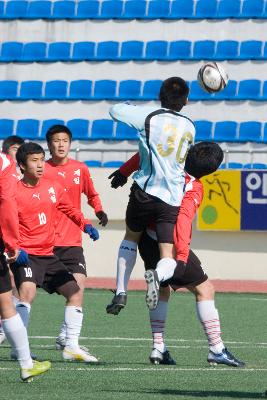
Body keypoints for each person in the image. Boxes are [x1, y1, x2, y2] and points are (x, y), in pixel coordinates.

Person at [107, 142, 245, 368]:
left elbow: (146, 151)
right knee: (205, 289)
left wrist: (124, 171)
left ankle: (158, 347)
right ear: (212, 171)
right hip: (169, 243)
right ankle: (216, 348)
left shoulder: (168, 163)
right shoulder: (194, 186)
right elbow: (182, 221)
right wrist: (181, 256)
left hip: (145, 236)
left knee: (163, 292)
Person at [109, 77, 195, 311]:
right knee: (167, 251)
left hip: (144, 192)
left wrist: (129, 105)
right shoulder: (190, 125)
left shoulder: (149, 116)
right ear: (186, 100)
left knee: (131, 238)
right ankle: (157, 275)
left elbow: (114, 111)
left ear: (160, 96)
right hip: (172, 198)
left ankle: (120, 291)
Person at [11, 142, 99, 363]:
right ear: (21, 165)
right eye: (34, 161)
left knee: (75, 293)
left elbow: (69, 208)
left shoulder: (52, 187)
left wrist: (86, 225)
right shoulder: (13, 192)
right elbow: (4, 225)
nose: (40, 165)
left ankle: (71, 347)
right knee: (27, 294)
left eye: (42, 160)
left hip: (48, 255)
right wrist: (14, 248)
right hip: (26, 255)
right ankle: (18, 348)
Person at [44, 124, 108, 350]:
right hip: (45, 241)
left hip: (72, 241)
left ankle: (66, 338)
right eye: (56, 140)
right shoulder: (41, 169)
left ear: (70, 144)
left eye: (65, 140)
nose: (61, 144)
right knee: (24, 290)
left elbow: (91, 193)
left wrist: (98, 210)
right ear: (49, 145)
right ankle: (7, 327)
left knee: (78, 286)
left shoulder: (80, 169)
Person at [0, 150, 51, 381]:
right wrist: (12, 244)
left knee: (7, 304)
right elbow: (7, 203)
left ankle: (27, 363)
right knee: (7, 306)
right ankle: (26, 364)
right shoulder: (4, 163)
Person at [0, 135, 24, 344]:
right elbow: (7, 205)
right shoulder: (6, 170)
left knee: (16, 287)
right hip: (8, 239)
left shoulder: (24, 178)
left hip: (15, 238)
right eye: (16, 148)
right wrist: (11, 242)